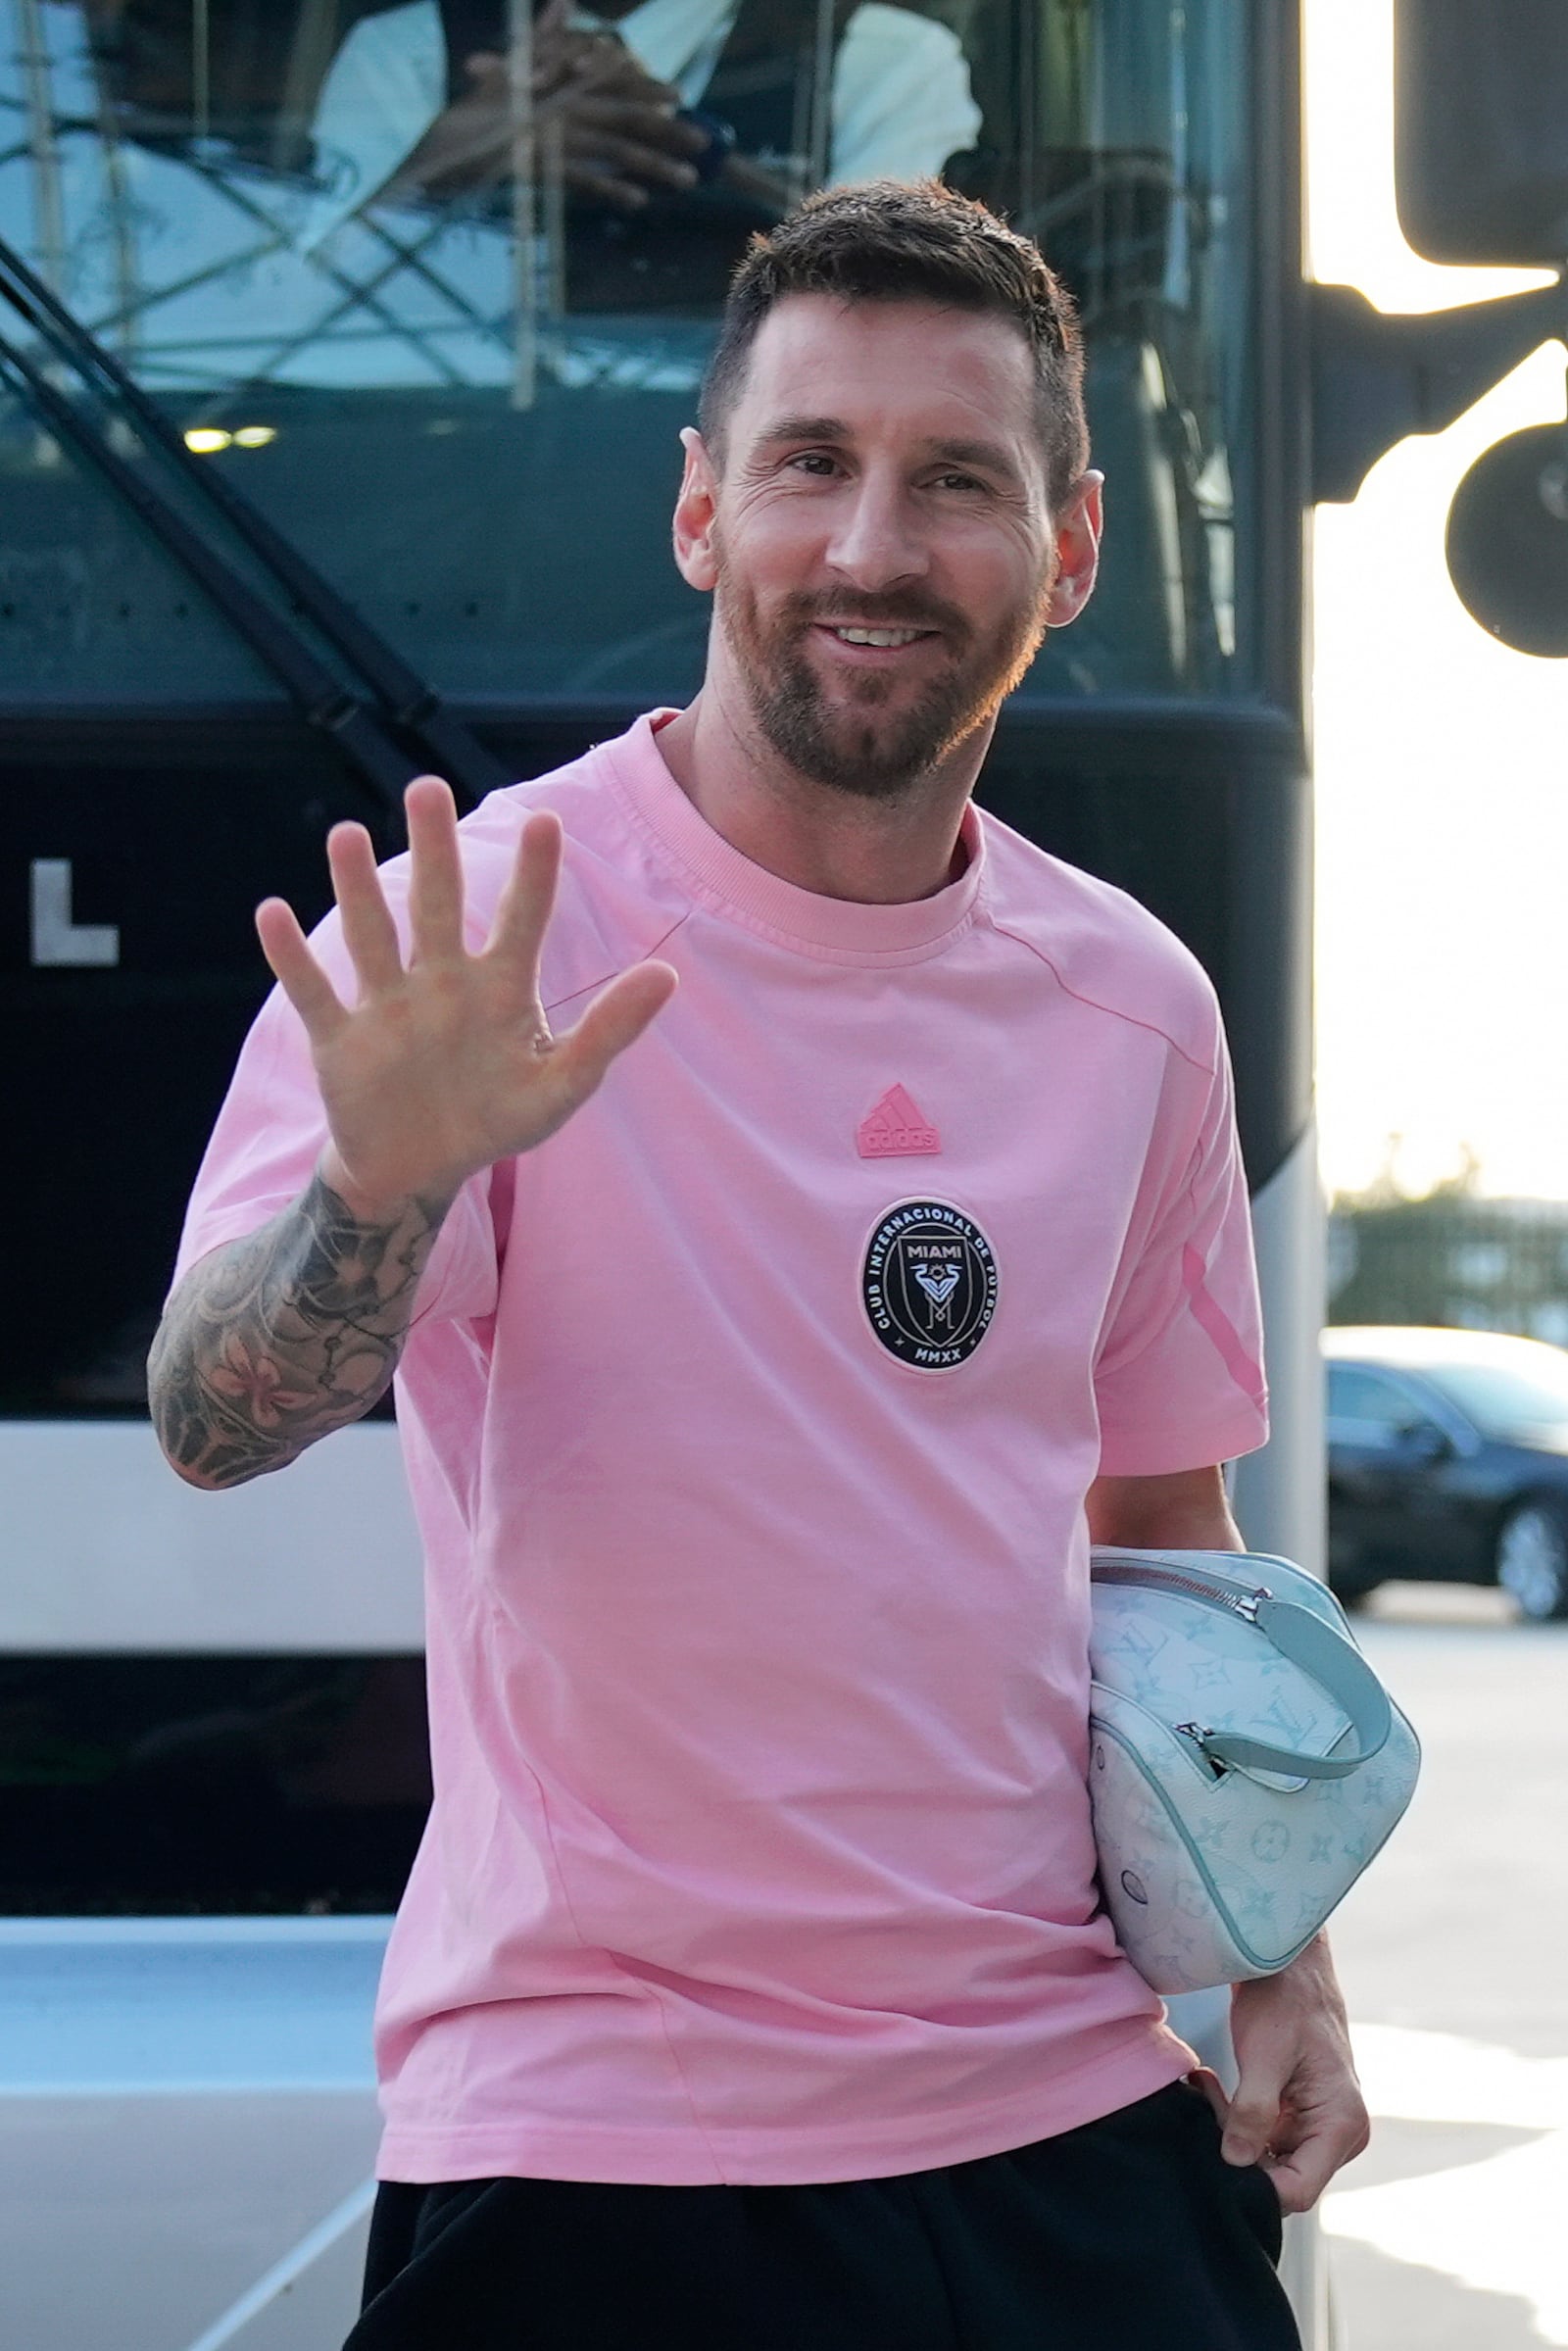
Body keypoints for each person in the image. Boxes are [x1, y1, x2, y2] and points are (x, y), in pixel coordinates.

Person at [148, 178, 1366, 2349]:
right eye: (810, 463)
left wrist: (1277, 1955)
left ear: (1070, 546)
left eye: (953, 481)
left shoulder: (1130, 1003)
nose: (873, 548)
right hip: (597, 2141)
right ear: (701, 511)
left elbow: (1162, 1541)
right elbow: (213, 1423)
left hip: (1063, 2130)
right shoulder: (480, 936)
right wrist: (384, 1192)